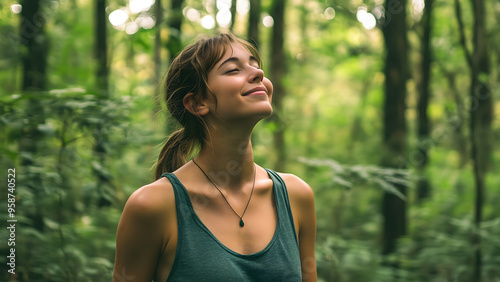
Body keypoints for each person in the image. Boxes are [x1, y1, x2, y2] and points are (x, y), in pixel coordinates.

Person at [113, 33, 317, 282]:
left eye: (255, 64)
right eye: (232, 70)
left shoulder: (296, 196)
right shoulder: (152, 206)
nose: (258, 73)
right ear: (197, 103)